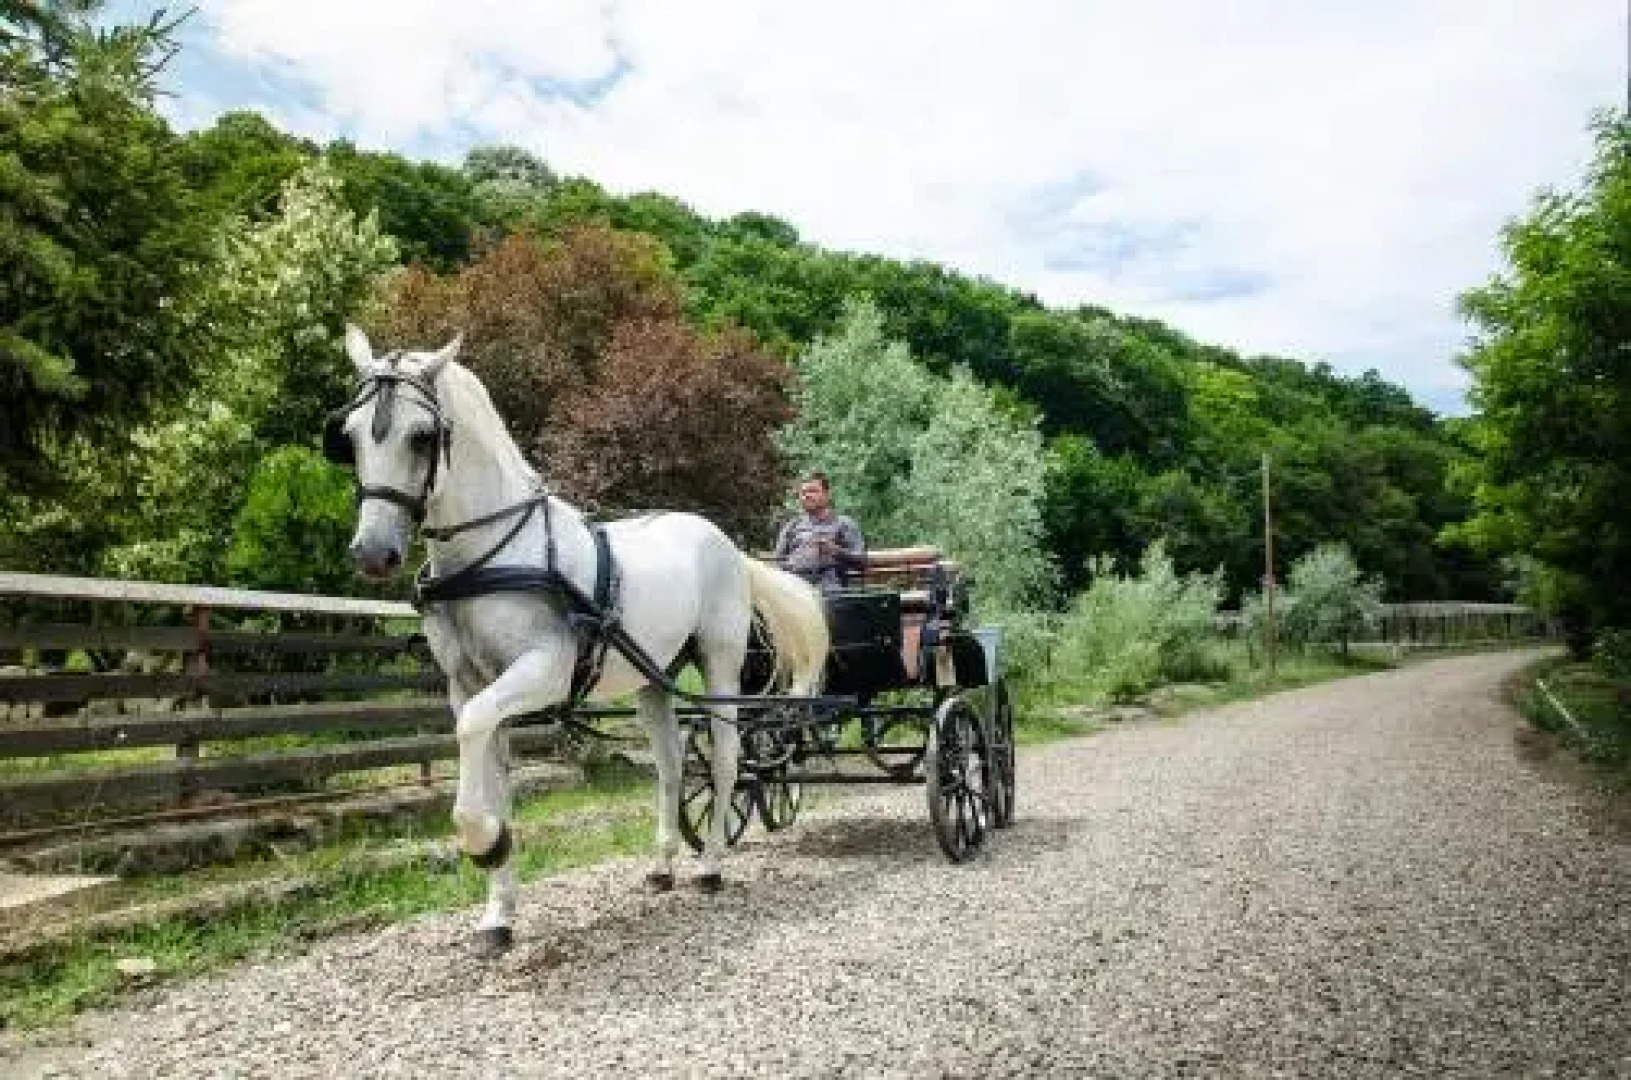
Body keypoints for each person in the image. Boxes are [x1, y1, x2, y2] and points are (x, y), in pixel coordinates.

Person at [771, 472, 865, 589]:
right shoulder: (792, 526)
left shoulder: (844, 524)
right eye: (803, 493)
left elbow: (861, 561)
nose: (807, 496)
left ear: (827, 495)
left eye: (812, 491)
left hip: (828, 586)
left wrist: (834, 550)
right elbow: (777, 562)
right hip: (794, 585)